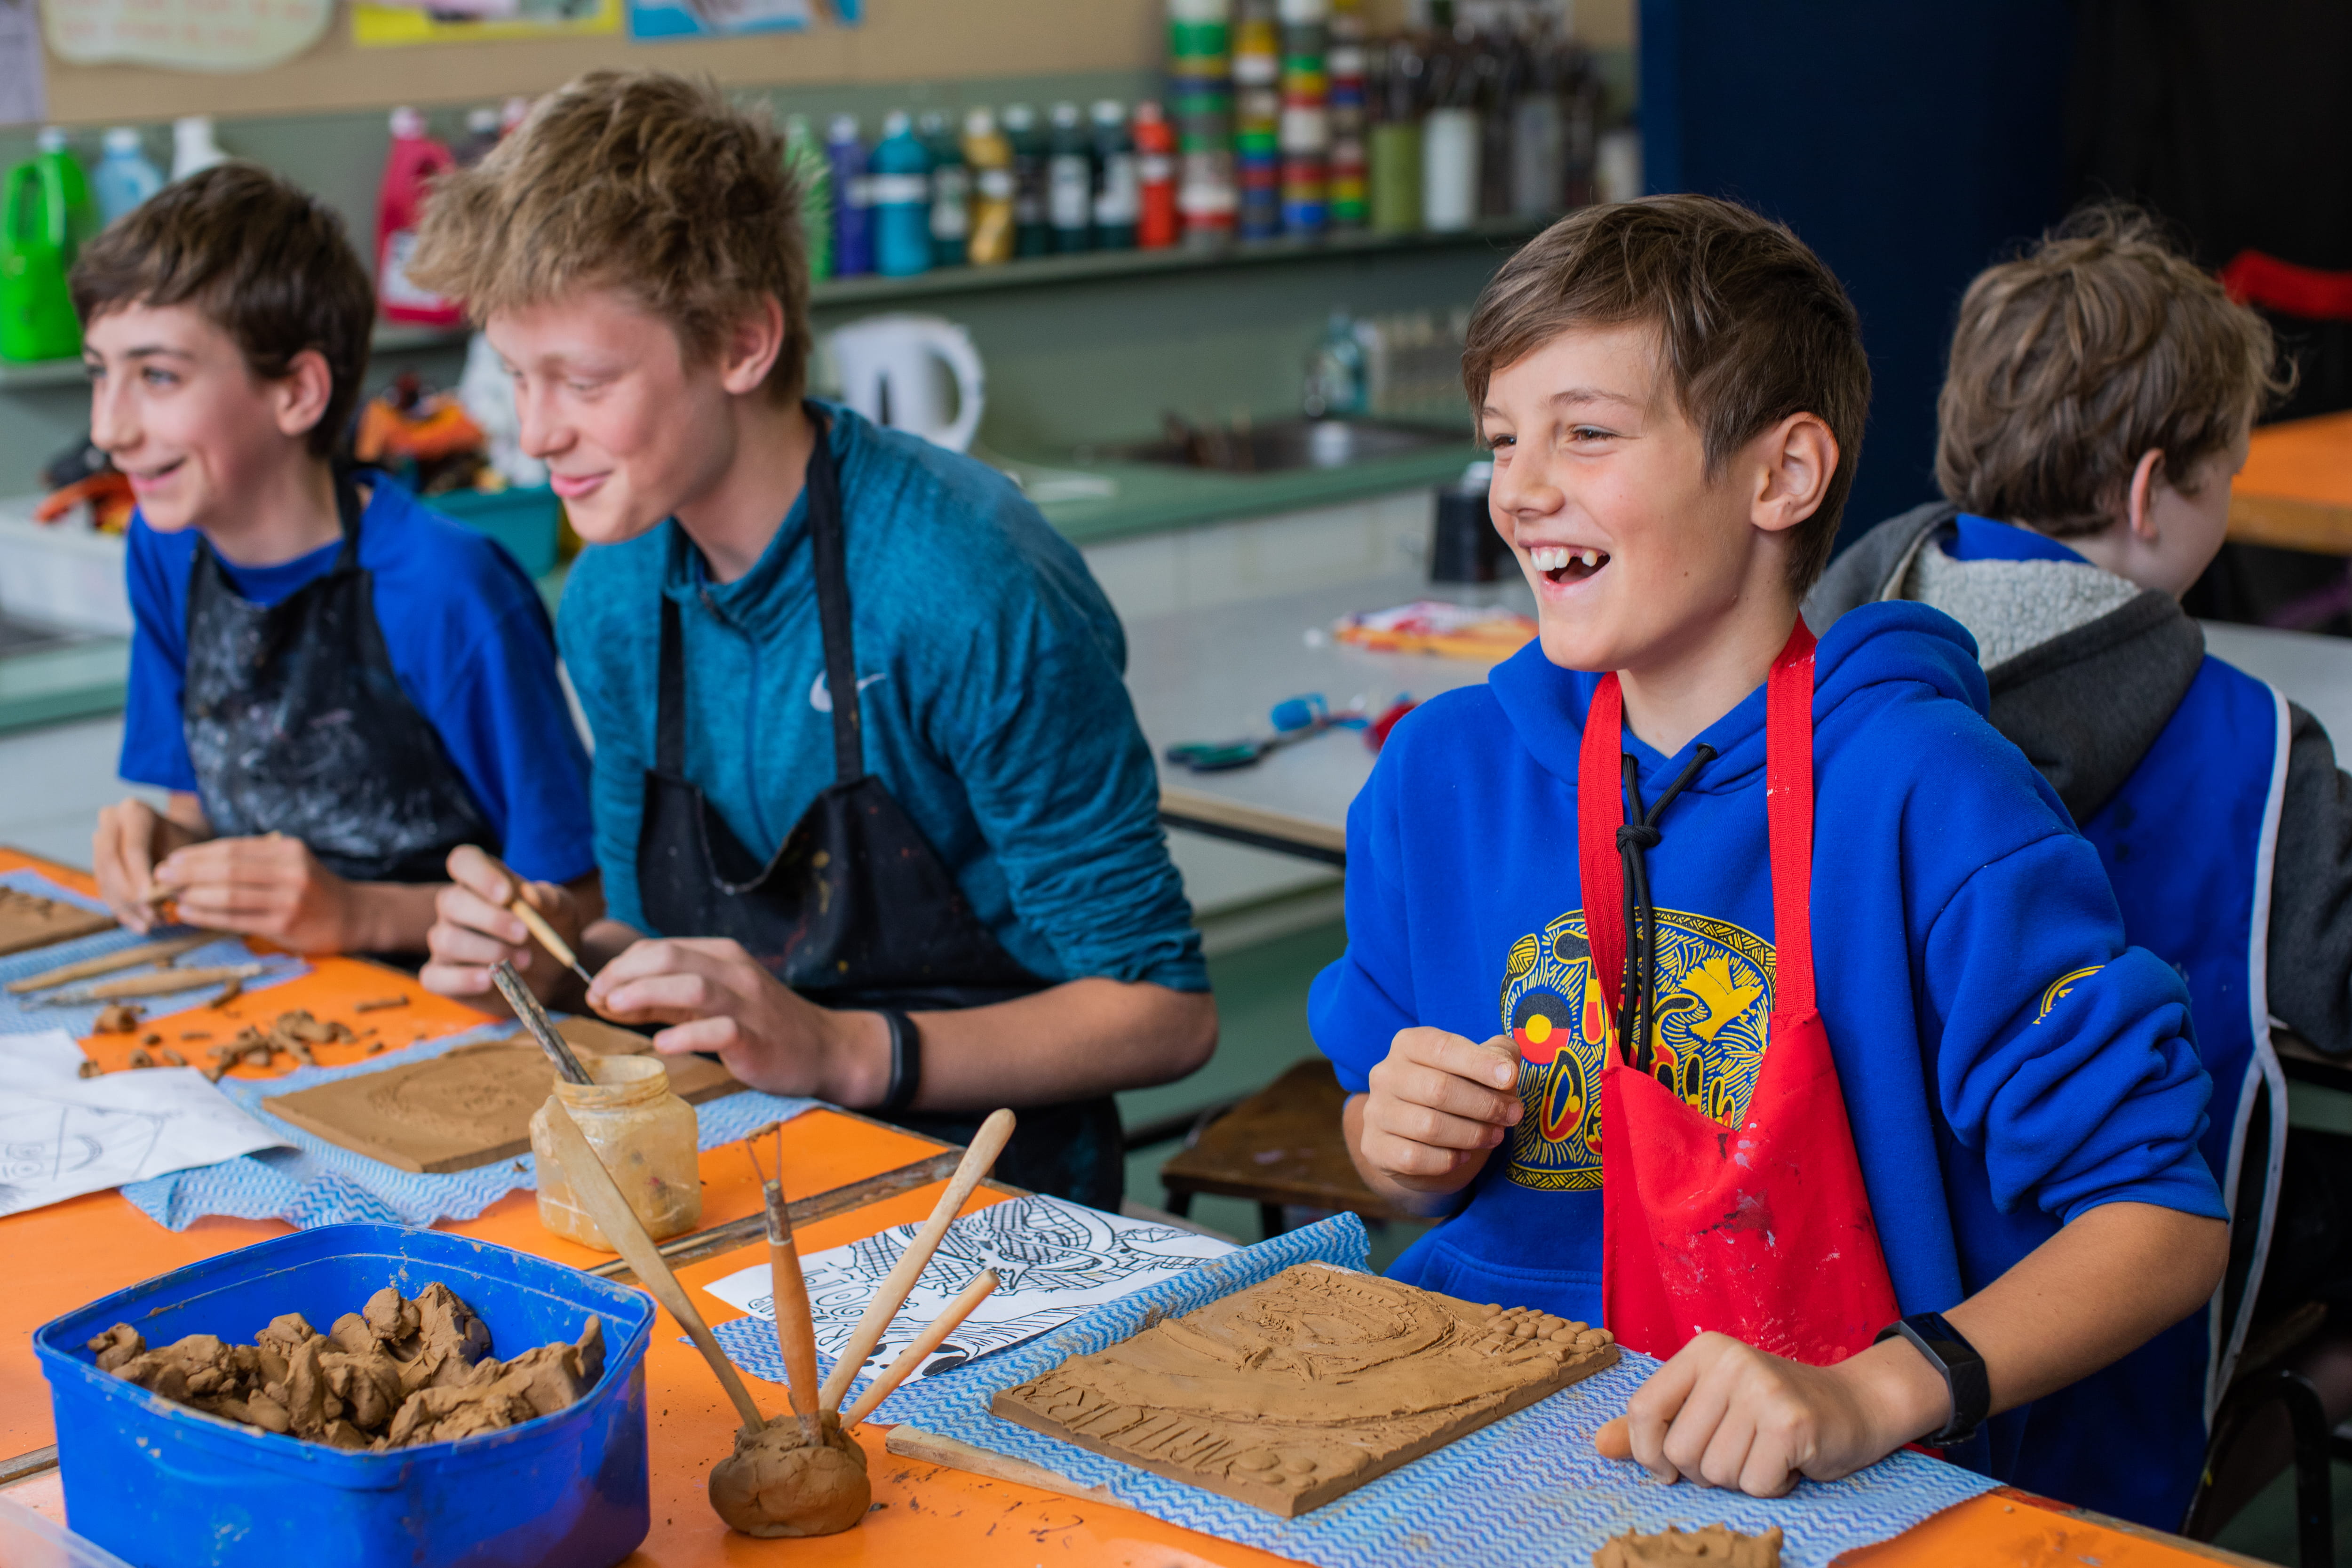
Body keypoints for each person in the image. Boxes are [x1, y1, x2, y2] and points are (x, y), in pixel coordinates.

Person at [1309, 195, 2230, 1525]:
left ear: (1782, 476)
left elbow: (2161, 1222)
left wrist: (1875, 1391)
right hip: (1489, 1449)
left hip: (1828, 1484)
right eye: (1503, 439)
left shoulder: (1929, 790)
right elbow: (1374, 1131)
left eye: (1587, 433)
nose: (1519, 488)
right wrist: (1396, 1146)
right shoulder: (1438, 773)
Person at [404, 72, 1214, 1208]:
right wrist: (551, 954)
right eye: (517, 378)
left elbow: (1163, 1013)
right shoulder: (617, 594)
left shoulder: (961, 584)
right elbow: (649, 929)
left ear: (742, 341)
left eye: (582, 380)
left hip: (995, 1203)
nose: (537, 433)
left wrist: (840, 1048)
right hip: (743, 1172)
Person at [1808, 203, 2352, 1434]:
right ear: (2158, 490)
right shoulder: (2250, 742)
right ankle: (2288, 1414)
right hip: (2119, 1327)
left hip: (1826, 1300)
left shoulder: (1810, 659)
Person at [76, 164, 597, 955]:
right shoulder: (165, 546)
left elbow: (579, 905)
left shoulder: (446, 590)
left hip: (463, 1027)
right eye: (98, 372)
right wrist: (166, 850)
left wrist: (358, 914)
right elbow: (196, 806)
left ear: (298, 392)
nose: (109, 427)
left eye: (156, 375)